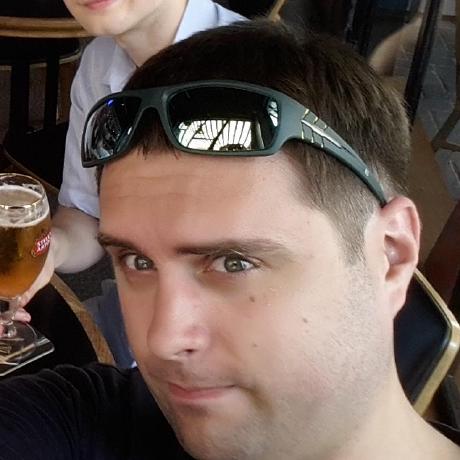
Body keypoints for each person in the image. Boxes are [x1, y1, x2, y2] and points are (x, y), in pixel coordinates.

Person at [2, 19, 460, 459]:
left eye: (233, 263)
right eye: (137, 262)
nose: (161, 340)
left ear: (390, 255)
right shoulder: (84, 419)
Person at [17, 0, 244, 367]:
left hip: (226, 349)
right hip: (127, 316)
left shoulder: (256, 73)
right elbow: (86, 214)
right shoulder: (100, 62)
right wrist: (47, 250)